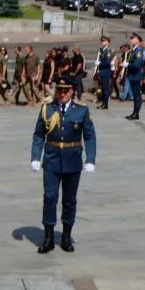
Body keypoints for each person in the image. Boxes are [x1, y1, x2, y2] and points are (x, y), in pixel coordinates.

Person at [30, 77, 97, 254]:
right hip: (52, 159)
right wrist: (35, 156)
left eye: (65, 90)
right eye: (59, 89)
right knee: (49, 197)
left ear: (72, 91)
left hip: (72, 160)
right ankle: (48, 237)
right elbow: (39, 134)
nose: (62, 93)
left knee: (69, 200)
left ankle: (66, 236)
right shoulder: (47, 109)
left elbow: (89, 136)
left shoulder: (81, 110)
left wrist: (90, 159)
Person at [124, 35, 145, 119]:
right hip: (132, 75)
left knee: (137, 96)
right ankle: (134, 112)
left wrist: (128, 65)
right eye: (131, 38)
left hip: (136, 76)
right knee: (135, 95)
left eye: (133, 38)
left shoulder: (138, 51)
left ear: (138, 40)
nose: (131, 40)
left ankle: (136, 113)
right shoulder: (133, 51)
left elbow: (136, 65)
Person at [95, 37, 114, 110]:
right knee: (103, 89)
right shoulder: (102, 51)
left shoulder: (108, 51)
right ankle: (103, 103)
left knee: (105, 89)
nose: (102, 42)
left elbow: (107, 62)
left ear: (108, 42)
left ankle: (105, 104)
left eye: (104, 41)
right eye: (102, 41)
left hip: (106, 72)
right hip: (102, 72)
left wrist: (99, 64)